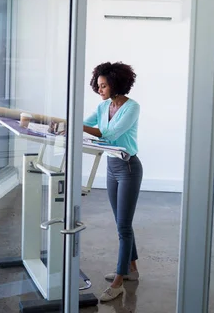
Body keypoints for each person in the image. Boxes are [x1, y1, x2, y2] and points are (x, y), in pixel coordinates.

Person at [83, 62, 143, 302]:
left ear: (116, 84)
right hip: (111, 166)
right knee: (122, 222)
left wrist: (78, 126)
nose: (100, 90)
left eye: (104, 85)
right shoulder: (102, 106)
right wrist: (67, 123)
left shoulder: (132, 107)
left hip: (128, 167)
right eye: (98, 85)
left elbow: (110, 134)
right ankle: (133, 270)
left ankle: (119, 281)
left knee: (123, 227)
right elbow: (85, 122)